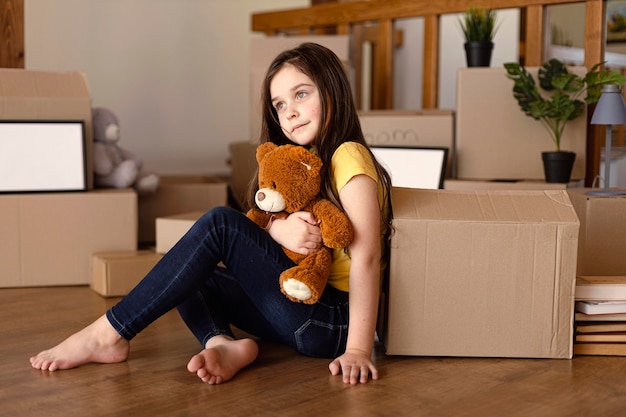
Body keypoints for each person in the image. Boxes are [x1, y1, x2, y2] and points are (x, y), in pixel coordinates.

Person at [29, 42, 392, 386]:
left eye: (301, 94)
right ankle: (219, 342)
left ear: (332, 91)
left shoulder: (349, 156)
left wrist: (358, 350)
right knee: (187, 265)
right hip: (302, 309)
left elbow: (368, 256)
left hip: (332, 324)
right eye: (279, 104)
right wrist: (278, 232)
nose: (289, 111)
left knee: (220, 223)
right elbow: (274, 228)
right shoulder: (304, 161)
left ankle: (107, 334)